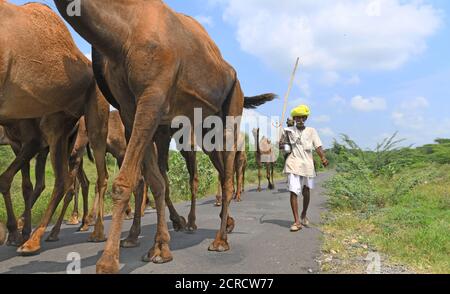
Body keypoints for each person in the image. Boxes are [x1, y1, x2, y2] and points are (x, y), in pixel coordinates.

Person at [279, 105, 329, 232]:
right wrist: (282, 144)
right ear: (294, 119)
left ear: (305, 118)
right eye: (298, 117)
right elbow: (284, 149)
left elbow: (317, 146)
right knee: (293, 191)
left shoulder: (312, 131)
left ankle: (304, 214)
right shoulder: (288, 131)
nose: (300, 119)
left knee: (306, 191)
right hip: (293, 163)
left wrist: (323, 157)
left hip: (307, 164)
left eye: (302, 117)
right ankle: (296, 221)